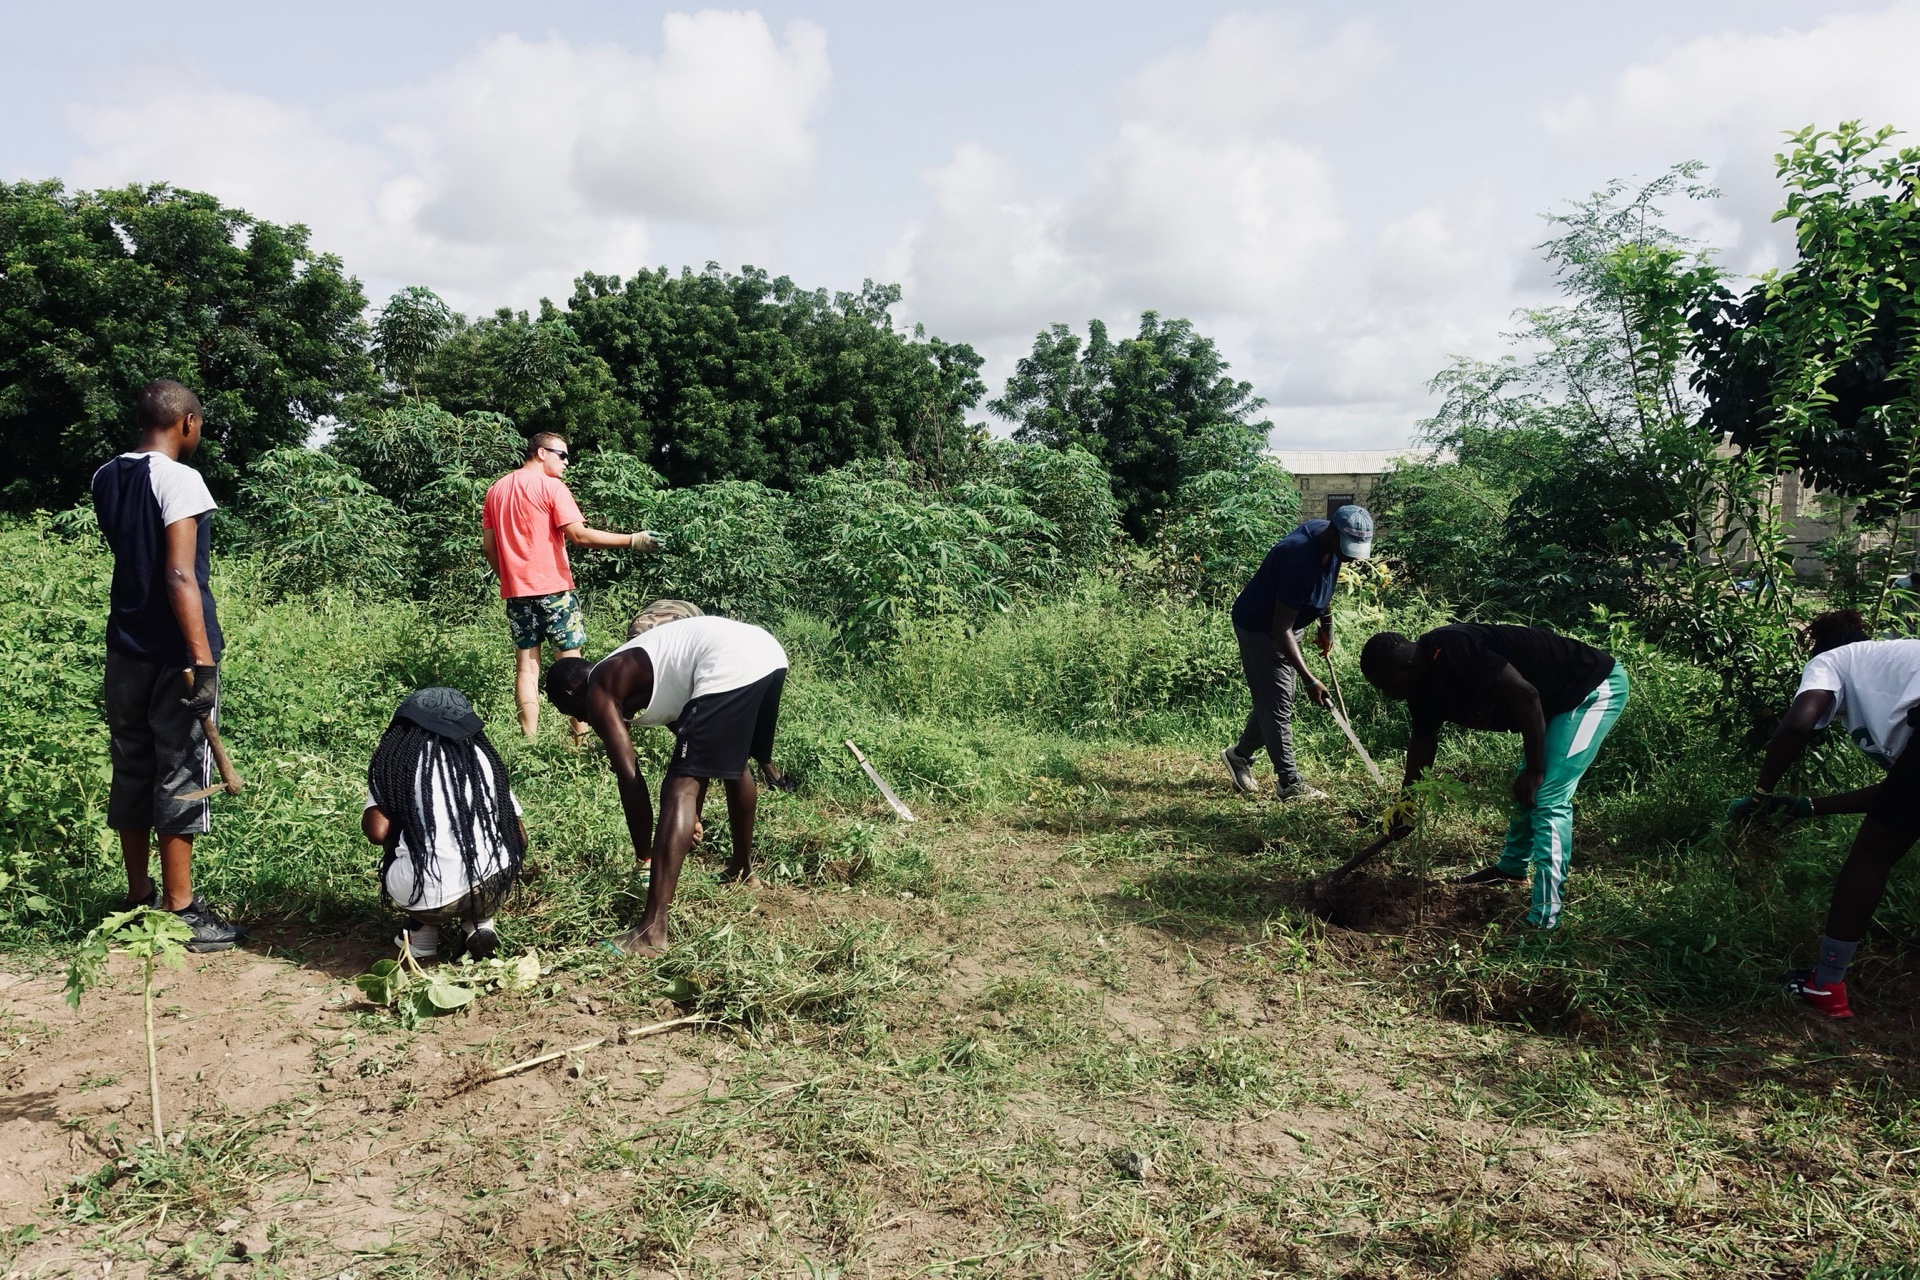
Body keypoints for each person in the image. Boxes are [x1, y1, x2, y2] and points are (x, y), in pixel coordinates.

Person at [90, 379, 247, 951]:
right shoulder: (181, 479)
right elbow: (179, 573)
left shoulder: (105, 476)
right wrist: (201, 661)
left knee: (132, 765)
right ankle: (180, 910)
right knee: (180, 770)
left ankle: (138, 898)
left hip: (124, 647)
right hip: (175, 655)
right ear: (187, 423)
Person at [545, 615, 789, 956]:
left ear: (572, 692)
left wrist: (644, 855)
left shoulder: (600, 686)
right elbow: (700, 754)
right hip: (766, 652)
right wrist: (692, 817)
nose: (580, 719)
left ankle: (651, 932)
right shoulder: (645, 674)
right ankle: (742, 871)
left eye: (568, 710)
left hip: (728, 658)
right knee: (735, 767)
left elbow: (630, 778)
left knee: (677, 789)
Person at [1360, 622, 1629, 930]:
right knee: (1527, 790)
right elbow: (1423, 741)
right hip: (1552, 703)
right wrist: (1407, 805)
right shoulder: (1421, 686)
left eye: (1388, 685)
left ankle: (1545, 919)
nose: (1388, 695)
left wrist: (1536, 769)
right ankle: (1511, 870)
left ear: (1407, 667)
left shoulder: (1452, 648)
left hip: (1590, 688)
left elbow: (1525, 694)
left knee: (1547, 794)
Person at [1733, 610, 1920, 1020]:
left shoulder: (1833, 660)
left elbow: (1798, 725)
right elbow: (1903, 796)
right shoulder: (1894, 665)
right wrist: (1807, 807)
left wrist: (1761, 794)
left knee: (1872, 856)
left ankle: (1826, 984)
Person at [481, 432, 662, 737]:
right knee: (572, 666)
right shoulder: (551, 486)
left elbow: (489, 548)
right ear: (541, 453)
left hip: (517, 593)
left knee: (527, 667)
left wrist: (512, 581)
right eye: (562, 455)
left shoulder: (495, 490)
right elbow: (579, 535)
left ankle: (529, 740)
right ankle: (581, 740)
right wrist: (633, 540)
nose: (566, 462)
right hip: (554, 590)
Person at [1220, 505, 1375, 801]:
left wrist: (1327, 626)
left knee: (1276, 700)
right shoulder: (1298, 557)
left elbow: (1324, 585)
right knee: (1278, 704)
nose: (1352, 558)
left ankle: (1239, 755)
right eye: (1349, 549)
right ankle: (1289, 784)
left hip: (1288, 627)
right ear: (1333, 534)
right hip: (1262, 629)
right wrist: (1309, 679)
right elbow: (1281, 629)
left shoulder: (1329, 542)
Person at [362, 687, 527, 962]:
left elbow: (377, 832)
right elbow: (520, 835)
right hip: (494, 885)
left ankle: (421, 934)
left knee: (401, 836)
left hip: (428, 895)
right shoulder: (482, 756)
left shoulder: (396, 762)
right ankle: (479, 926)